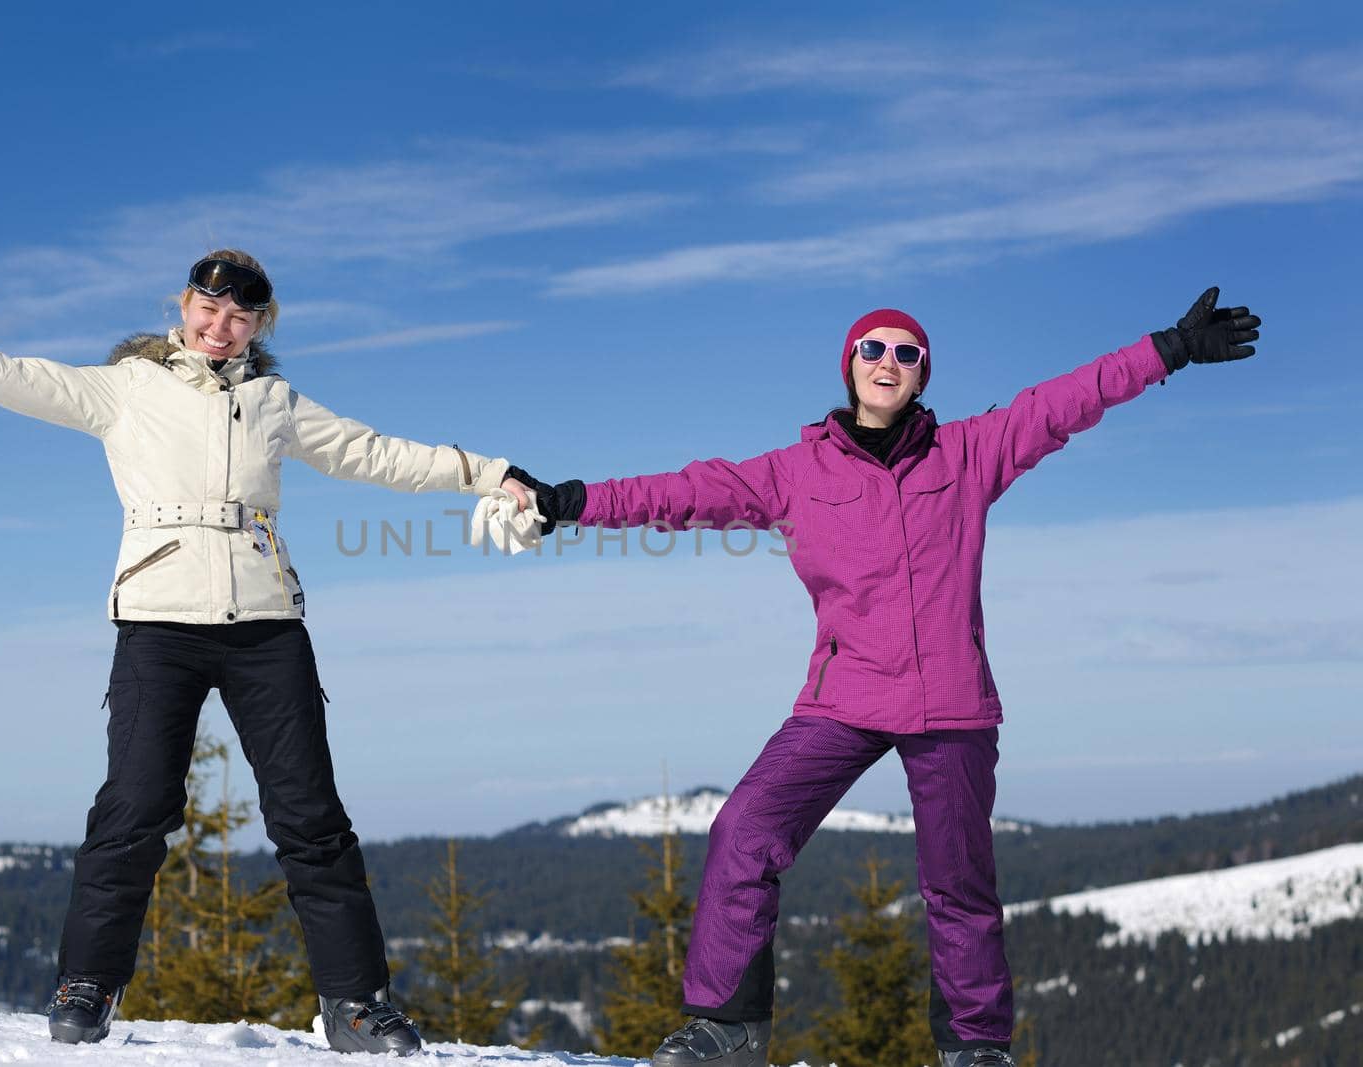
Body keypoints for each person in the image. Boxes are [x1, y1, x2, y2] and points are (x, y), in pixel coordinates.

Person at [507, 289, 1260, 1067]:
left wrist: (1168, 349)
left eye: (907, 353)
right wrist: (569, 501)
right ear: (850, 366)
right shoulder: (794, 472)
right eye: (874, 349)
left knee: (958, 880)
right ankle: (728, 1026)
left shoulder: (971, 451)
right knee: (745, 828)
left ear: (923, 374)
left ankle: (975, 1047)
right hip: (846, 695)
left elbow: (1065, 400)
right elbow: (684, 493)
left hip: (951, 700)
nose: (888, 362)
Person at [0, 250, 533, 1049]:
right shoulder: (126, 388)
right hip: (158, 622)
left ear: (259, 324)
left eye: (240, 317)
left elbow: (377, 452)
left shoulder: (273, 399)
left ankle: (356, 1003)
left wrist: (491, 472)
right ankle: (87, 984)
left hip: (266, 624)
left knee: (311, 817)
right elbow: (7, 374)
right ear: (182, 307)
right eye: (208, 311)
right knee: (136, 808)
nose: (221, 329)